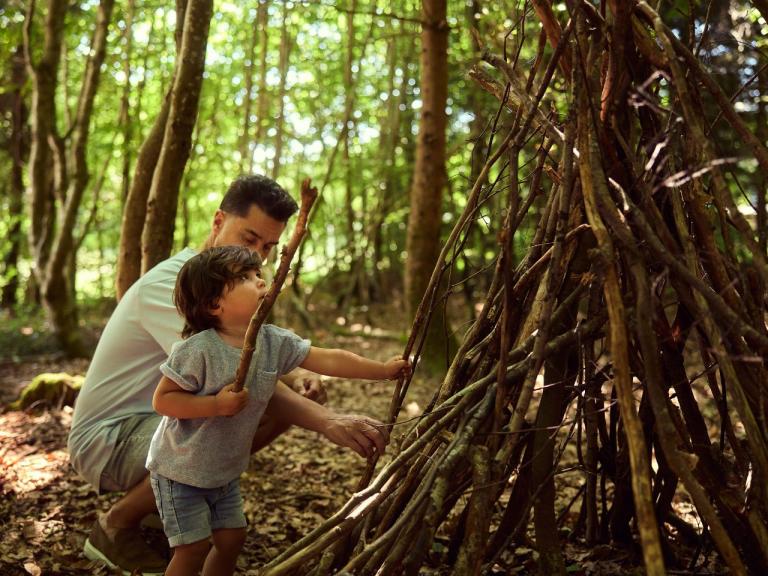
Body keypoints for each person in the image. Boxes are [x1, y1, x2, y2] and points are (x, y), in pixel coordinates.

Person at [68, 175, 392, 575]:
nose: (258, 256)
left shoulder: (222, 286)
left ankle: (176, 504)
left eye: (269, 248)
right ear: (218, 221)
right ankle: (115, 526)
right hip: (107, 440)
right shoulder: (179, 286)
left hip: (150, 425)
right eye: (249, 238)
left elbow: (252, 361)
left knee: (255, 405)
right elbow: (235, 377)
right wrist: (326, 422)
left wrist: (301, 379)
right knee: (236, 406)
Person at [148, 246, 410, 575]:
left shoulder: (272, 340)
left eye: (258, 274)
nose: (260, 281)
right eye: (244, 277)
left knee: (232, 539)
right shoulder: (198, 350)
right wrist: (215, 404)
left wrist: (382, 370)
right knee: (192, 548)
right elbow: (164, 401)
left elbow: (327, 358)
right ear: (214, 304)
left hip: (223, 472)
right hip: (181, 470)